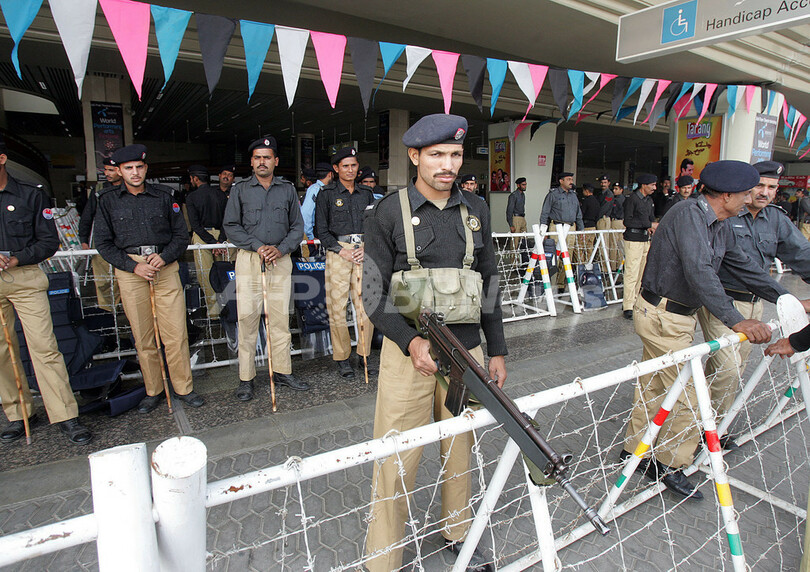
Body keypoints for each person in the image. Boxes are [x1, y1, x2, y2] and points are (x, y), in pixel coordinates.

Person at [362, 113, 506, 572]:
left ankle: (458, 532)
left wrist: (497, 349)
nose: (448, 164)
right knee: (396, 455)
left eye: (456, 155)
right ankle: (383, 558)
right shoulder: (387, 212)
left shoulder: (477, 209)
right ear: (414, 156)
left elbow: (488, 280)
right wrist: (410, 342)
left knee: (460, 447)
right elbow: (372, 295)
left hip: (467, 354)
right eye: (437, 154)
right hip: (409, 356)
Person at [622, 160, 795, 500]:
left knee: (654, 385)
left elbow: (743, 266)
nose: (749, 200)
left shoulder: (719, 223)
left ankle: (634, 451)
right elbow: (700, 271)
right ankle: (670, 463)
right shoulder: (688, 214)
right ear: (727, 195)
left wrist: (786, 298)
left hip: (674, 316)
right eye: (746, 194)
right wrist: (736, 319)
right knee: (687, 395)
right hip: (662, 316)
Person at [697, 161, 810, 448]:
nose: (764, 192)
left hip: (756, 304)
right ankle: (708, 431)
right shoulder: (726, 214)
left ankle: (710, 423)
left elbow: (801, 254)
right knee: (728, 368)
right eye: (759, 185)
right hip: (724, 304)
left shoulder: (776, 219)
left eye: (772, 187)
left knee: (733, 369)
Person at [94, 144, 204, 413]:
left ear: (146, 168)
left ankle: (183, 388)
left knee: (175, 333)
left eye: (139, 167)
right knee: (143, 337)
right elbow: (103, 243)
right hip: (131, 270)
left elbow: (181, 235)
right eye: (128, 168)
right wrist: (132, 266)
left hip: (164, 267)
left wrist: (164, 257)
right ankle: (154, 390)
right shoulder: (107, 200)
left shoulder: (165, 196)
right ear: (120, 171)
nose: (135, 172)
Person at [0, 137, 93, 444]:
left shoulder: (30, 195)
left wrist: (16, 258)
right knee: (2, 352)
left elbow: (48, 242)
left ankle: (65, 414)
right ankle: (19, 414)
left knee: (44, 347)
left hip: (25, 277)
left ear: (2, 159)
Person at [222, 136, 309, 401]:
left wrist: (280, 249)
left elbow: (297, 227)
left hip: (279, 260)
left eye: (267, 157)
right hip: (250, 260)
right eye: (258, 158)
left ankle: (282, 371)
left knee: (280, 319)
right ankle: (246, 378)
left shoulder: (287, 190)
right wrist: (258, 246)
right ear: (251, 162)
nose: (262, 162)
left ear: (276, 161)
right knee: (248, 319)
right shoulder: (240, 189)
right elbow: (231, 226)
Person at [315, 147, 376, 379]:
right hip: (338, 252)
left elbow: (374, 225)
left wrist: (366, 248)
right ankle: (342, 357)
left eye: (353, 165)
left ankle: (364, 354)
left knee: (366, 307)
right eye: (345, 166)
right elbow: (321, 229)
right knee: (337, 307)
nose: (350, 170)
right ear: (336, 168)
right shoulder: (326, 194)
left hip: (363, 251)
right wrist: (341, 251)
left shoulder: (366, 193)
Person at [186, 164, 230, 320]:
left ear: (195, 179)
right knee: (224, 273)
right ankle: (228, 308)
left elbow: (195, 225)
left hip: (202, 237)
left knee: (206, 275)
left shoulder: (192, 197)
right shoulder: (221, 195)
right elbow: (227, 220)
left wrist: (211, 242)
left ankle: (214, 312)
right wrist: (220, 241)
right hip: (221, 237)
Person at [79, 157, 121, 312]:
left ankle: (125, 310)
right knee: (104, 281)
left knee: (125, 279)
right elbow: (88, 215)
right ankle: (108, 312)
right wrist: (84, 240)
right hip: (103, 242)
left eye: (111, 170)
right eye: (106, 170)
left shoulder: (131, 188)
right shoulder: (99, 190)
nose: (107, 173)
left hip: (124, 242)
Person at [621, 174, 658, 319]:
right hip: (633, 239)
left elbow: (651, 218)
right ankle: (628, 305)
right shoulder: (632, 199)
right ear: (644, 185)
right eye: (652, 185)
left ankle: (635, 301)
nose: (655, 188)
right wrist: (649, 224)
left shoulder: (649, 200)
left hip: (645, 239)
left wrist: (652, 226)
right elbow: (627, 221)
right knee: (632, 272)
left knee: (641, 273)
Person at [540, 172, 584, 286]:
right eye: (568, 179)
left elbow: (578, 213)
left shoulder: (573, 195)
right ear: (561, 181)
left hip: (571, 228)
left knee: (567, 256)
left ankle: (560, 284)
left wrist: (581, 230)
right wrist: (543, 231)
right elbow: (545, 213)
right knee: (555, 256)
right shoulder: (553, 194)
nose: (571, 182)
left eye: (572, 179)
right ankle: (551, 283)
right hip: (556, 227)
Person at [301, 162, 333, 243]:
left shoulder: (326, 189)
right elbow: (306, 214)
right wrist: (310, 237)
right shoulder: (315, 189)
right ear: (330, 174)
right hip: (316, 236)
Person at [580, 183, 600, 253]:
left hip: (586, 226)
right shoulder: (596, 201)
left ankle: (581, 260)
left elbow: (582, 213)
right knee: (589, 246)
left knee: (580, 247)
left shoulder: (586, 201)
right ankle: (589, 259)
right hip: (593, 226)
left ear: (586, 191)